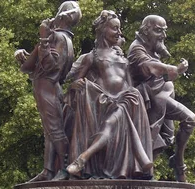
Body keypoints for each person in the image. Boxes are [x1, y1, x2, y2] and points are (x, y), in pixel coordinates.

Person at [65, 10, 153, 179]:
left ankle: (83, 158)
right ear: (103, 29)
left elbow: (129, 83)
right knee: (111, 122)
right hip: (102, 101)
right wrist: (74, 85)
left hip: (125, 99)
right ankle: (87, 158)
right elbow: (73, 77)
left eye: (119, 29)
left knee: (115, 117)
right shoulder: (91, 56)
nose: (119, 32)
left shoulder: (121, 55)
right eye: (115, 28)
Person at [15, 2, 82, 181]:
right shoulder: (58, 38)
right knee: (49, 131)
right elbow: (28, 68)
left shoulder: (58, 38)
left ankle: (65, 167)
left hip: (48, 87)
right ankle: (48, 170)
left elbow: (50, 66)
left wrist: (44, 39)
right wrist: (20, 54)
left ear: (62, 16)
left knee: (55, 130)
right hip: (45, 87)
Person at [127, 15, 195, 182]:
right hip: (150, 100)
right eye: (158, 31)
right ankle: (177, 162)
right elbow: (148, 67)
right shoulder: (137, 48)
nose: (163, 36)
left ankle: (146, 170)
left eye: (164, 31)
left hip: (160, 96)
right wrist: (170, 68)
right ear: (146, 30)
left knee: (166, 138)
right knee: (190, 119)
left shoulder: (152, 49)